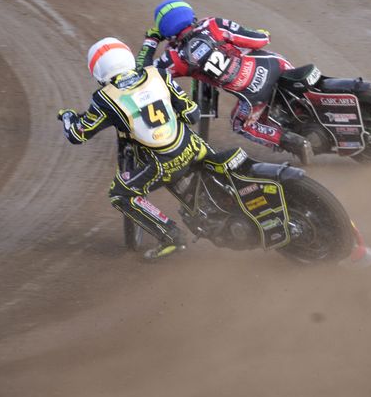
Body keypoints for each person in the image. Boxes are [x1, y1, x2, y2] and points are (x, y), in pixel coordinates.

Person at [59, 37, 250, 260]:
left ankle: (171, 236)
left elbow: (77, 135)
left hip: (163, 164)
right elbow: (192, 114)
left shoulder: (105, 99)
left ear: (97, 70)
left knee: (120, 194)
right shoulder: (158, 74)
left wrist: (68, 117)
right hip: (194, 146)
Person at [136, 0, 313, 164]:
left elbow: (143, 73)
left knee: (240, 124)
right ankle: (304, 104)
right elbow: (258, 40)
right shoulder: (213, 24)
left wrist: (151, 41)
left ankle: (292, 142)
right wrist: (263, 34)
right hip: (275, 65)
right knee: (282, 69)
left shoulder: (175, 58)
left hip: (254, 95)